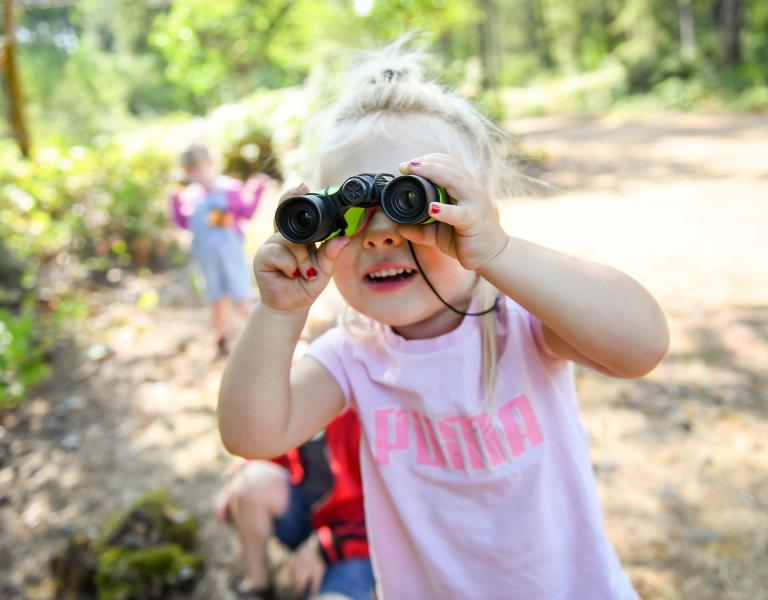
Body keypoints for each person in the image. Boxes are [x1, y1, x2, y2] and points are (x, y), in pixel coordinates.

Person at [218, 44, 669, 599]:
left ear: (472, 213)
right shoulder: (353, 356)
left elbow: (643, 345)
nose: (382, 235)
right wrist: (278, 311)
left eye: (411, 205)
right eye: (350, 214)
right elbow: (250, 434)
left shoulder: (522, 324)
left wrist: (498, 252)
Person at [215, 409, 373, 600]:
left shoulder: (364, 416)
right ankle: (259, 588)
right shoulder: (306, 407)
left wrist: (324, 548)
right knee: (251, 482)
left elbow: (383, 520)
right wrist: (241, 482)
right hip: (311, 521)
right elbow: (283, 455)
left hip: (357, 546)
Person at [169, 143, 268, 355]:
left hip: (230, 254)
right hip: (206, 257)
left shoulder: (229, 188)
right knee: (217, 299)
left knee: (241, 298)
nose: (198, 174)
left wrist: (257, 190)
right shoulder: (192, 196)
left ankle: (264, 337)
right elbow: (186, 224)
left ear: (212, 164)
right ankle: (221, 338)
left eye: (201, 167)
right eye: (191, 171)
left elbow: (247, 212)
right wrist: (175, 206)